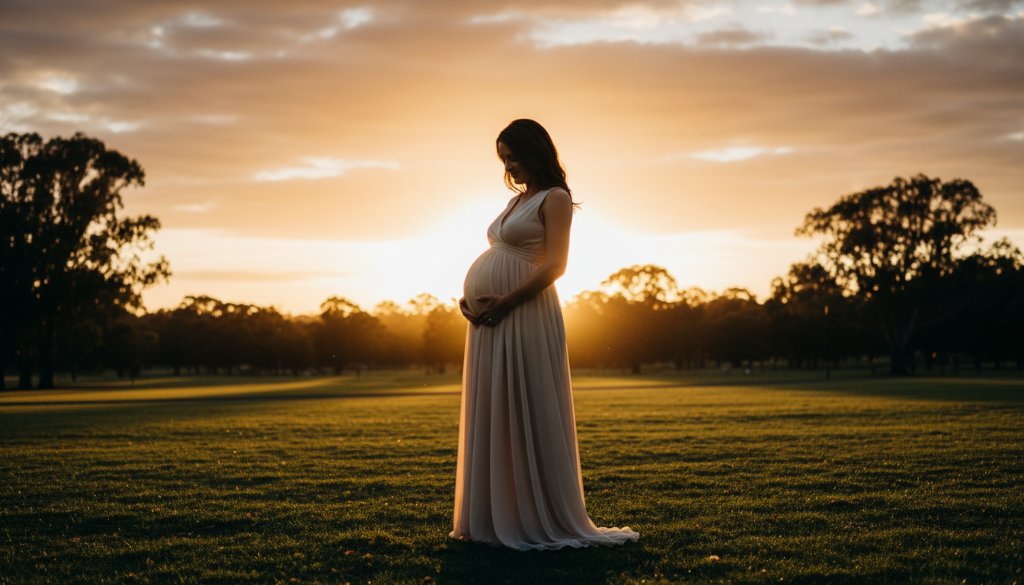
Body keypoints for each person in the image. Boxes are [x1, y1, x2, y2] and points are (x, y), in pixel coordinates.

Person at [449, 119, 639, 551]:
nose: (509, 166)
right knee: (495, 406)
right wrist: (472, 300)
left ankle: (537, 515)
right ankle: (494, 517)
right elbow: (499, 253)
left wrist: (505, 302)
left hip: (525, 314)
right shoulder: (517, 201)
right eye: (503, 159)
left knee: (525, 405)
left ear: (535, 151)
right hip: (490, 320)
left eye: (513, 156)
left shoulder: (555, 198)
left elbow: (556, 266)